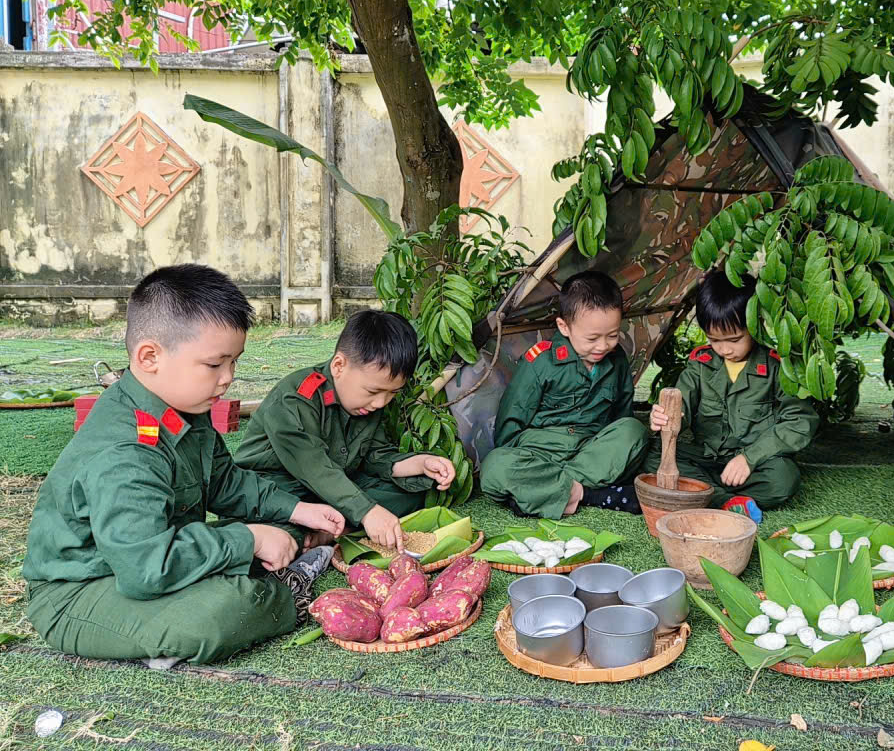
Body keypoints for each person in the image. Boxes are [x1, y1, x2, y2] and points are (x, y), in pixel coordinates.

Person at [23, 265, 346, 666]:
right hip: (81, 590)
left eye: (234, 363)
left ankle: (264, 562)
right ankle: (285, 589)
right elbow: (146, 568)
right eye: (214, 365)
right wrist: (248, 541)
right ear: (149, 357)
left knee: (279, 527)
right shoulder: (125, 451)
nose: (228, 378)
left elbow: (226, 482)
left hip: (149, 552)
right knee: (224, 611)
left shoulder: (182, 409)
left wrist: (298, 510)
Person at [234, 309, 456, 553]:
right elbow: (315, 468)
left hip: (337, 485)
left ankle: (331, 531)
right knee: (279, 530)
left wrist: (420, 463)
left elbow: (375, 454)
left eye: (392, 393)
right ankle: (321, 529)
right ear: (339, 365)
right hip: (280, 488)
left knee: (413, 489)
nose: (381, 403)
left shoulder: (365, 403)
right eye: (373, 392)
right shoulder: (295, 399)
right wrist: (367, 511)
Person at [647, 270, 818, 522]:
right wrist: (664, 418)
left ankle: (700, 495)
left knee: (783, 478)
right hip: (706, 458)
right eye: (714, 340)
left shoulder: (776, 366)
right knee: (651, 453)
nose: (725, 349)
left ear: (755, 324)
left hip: (753, 466)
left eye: (735, 339)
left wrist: (749, 458)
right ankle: (725, 501)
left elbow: (800, 422)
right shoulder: (701, 363)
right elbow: (681, 404)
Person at [480, 270, 648, 518]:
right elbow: (510, 424)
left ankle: (543, 493)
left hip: (590, 453)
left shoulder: (617, 360)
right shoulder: (541, 361)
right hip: (539, 454)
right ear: (564, 327)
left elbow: (621, 417)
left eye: (612, 336)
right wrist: (521, 461)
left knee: (634, 432)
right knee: (495, 467)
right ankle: (591, 494)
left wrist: (615, 447)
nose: (603, 346)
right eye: (592, 338)